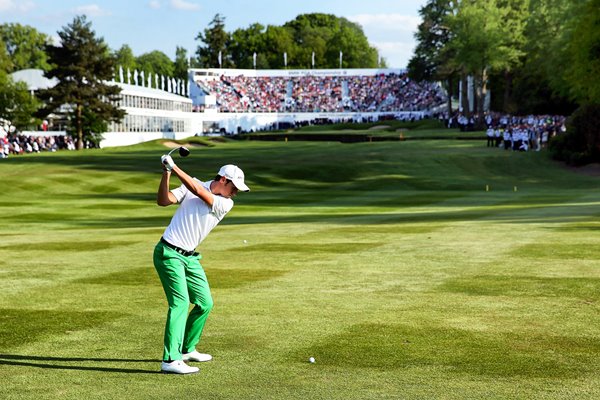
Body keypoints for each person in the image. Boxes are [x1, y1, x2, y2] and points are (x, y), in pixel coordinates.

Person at [154, 154, 250, 374]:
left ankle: (187, 349)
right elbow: (163, 200)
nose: (236, 192)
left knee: (205, 303)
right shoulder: (193, 184)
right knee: (179, 303)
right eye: (234, 187)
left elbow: (199, 191)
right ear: (224, 179)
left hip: (189, 257)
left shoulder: (226, 203)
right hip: (168, 252)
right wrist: (167, 173)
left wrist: (174, 166)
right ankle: (170, 359)